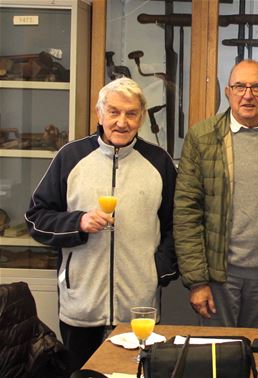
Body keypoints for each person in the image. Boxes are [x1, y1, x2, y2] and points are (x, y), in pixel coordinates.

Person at [25, 78, 178, 372]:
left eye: (131, 113)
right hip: (81, 305)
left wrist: (158, 270)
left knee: (136, 374)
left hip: (138, 309)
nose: (122, 122)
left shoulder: (158, 162)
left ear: (142, 117)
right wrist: (78, 222)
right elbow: (36, 217)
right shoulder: (70, 157)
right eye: (114, 112)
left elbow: (177, 226)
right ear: (99, 114)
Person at [174, 59, 258, 328]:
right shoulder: (202, 138)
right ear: (228, 91)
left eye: (257, 87)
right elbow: (186, 213)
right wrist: (197, 281)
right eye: (239, 87)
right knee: (218, 359)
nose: (248, 95)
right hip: (218, 279)